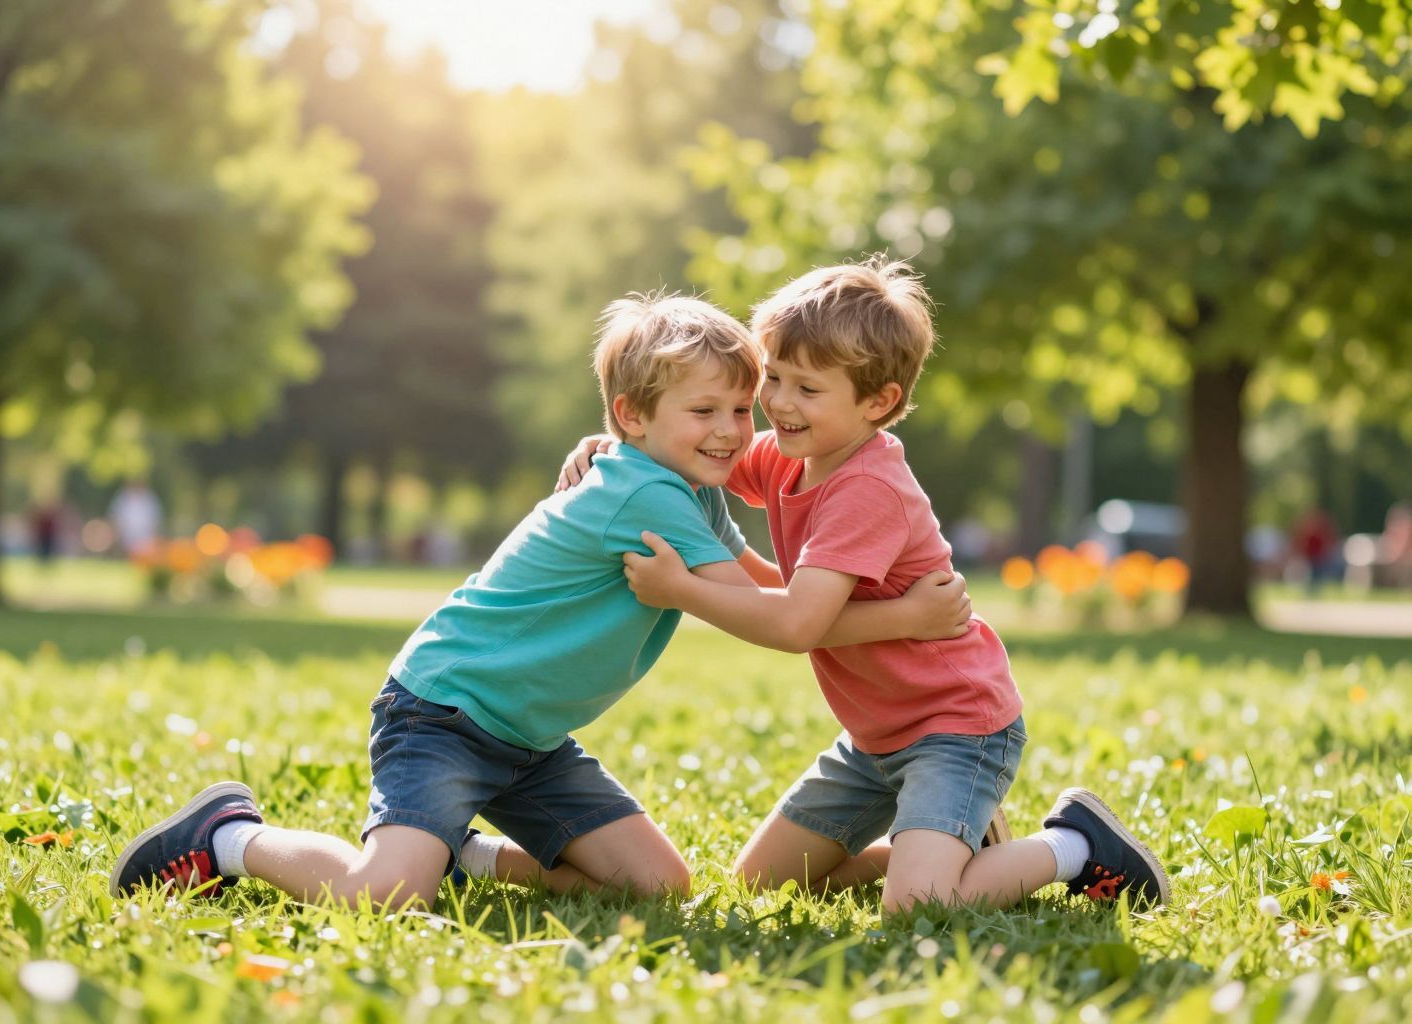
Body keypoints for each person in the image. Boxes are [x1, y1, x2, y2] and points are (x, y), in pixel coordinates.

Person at [108, 294, 974, 909]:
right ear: (634, 417)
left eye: (741, 408)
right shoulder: (644, 493)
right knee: (381, 895)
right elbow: (775, 618)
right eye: (705, 409)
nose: (732, 430)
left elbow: (764, 590)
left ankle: (462, 857)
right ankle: (229, 836)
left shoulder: (688, 483)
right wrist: (904, 617)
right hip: (445, 713)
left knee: (658, 886)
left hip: (526, 740)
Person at [565, 258, 1168, 914]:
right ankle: (963, 846)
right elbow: (695, 451)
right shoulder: (786, 456)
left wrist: (681, 589)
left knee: (919, 906)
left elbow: (799, 626)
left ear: (878, 403)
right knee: (762, 884)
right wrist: (623, 443)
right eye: (775, 378)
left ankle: (1073, 845)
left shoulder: (867, 488)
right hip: (876, 736)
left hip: (953, 727)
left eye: (808, 389)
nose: (779, 405)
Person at [109, 479, 162, 557]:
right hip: (125, 536)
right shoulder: (122, 498)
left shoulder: (150, 499)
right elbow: (115, 518)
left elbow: (156, 521)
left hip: (146, 537)